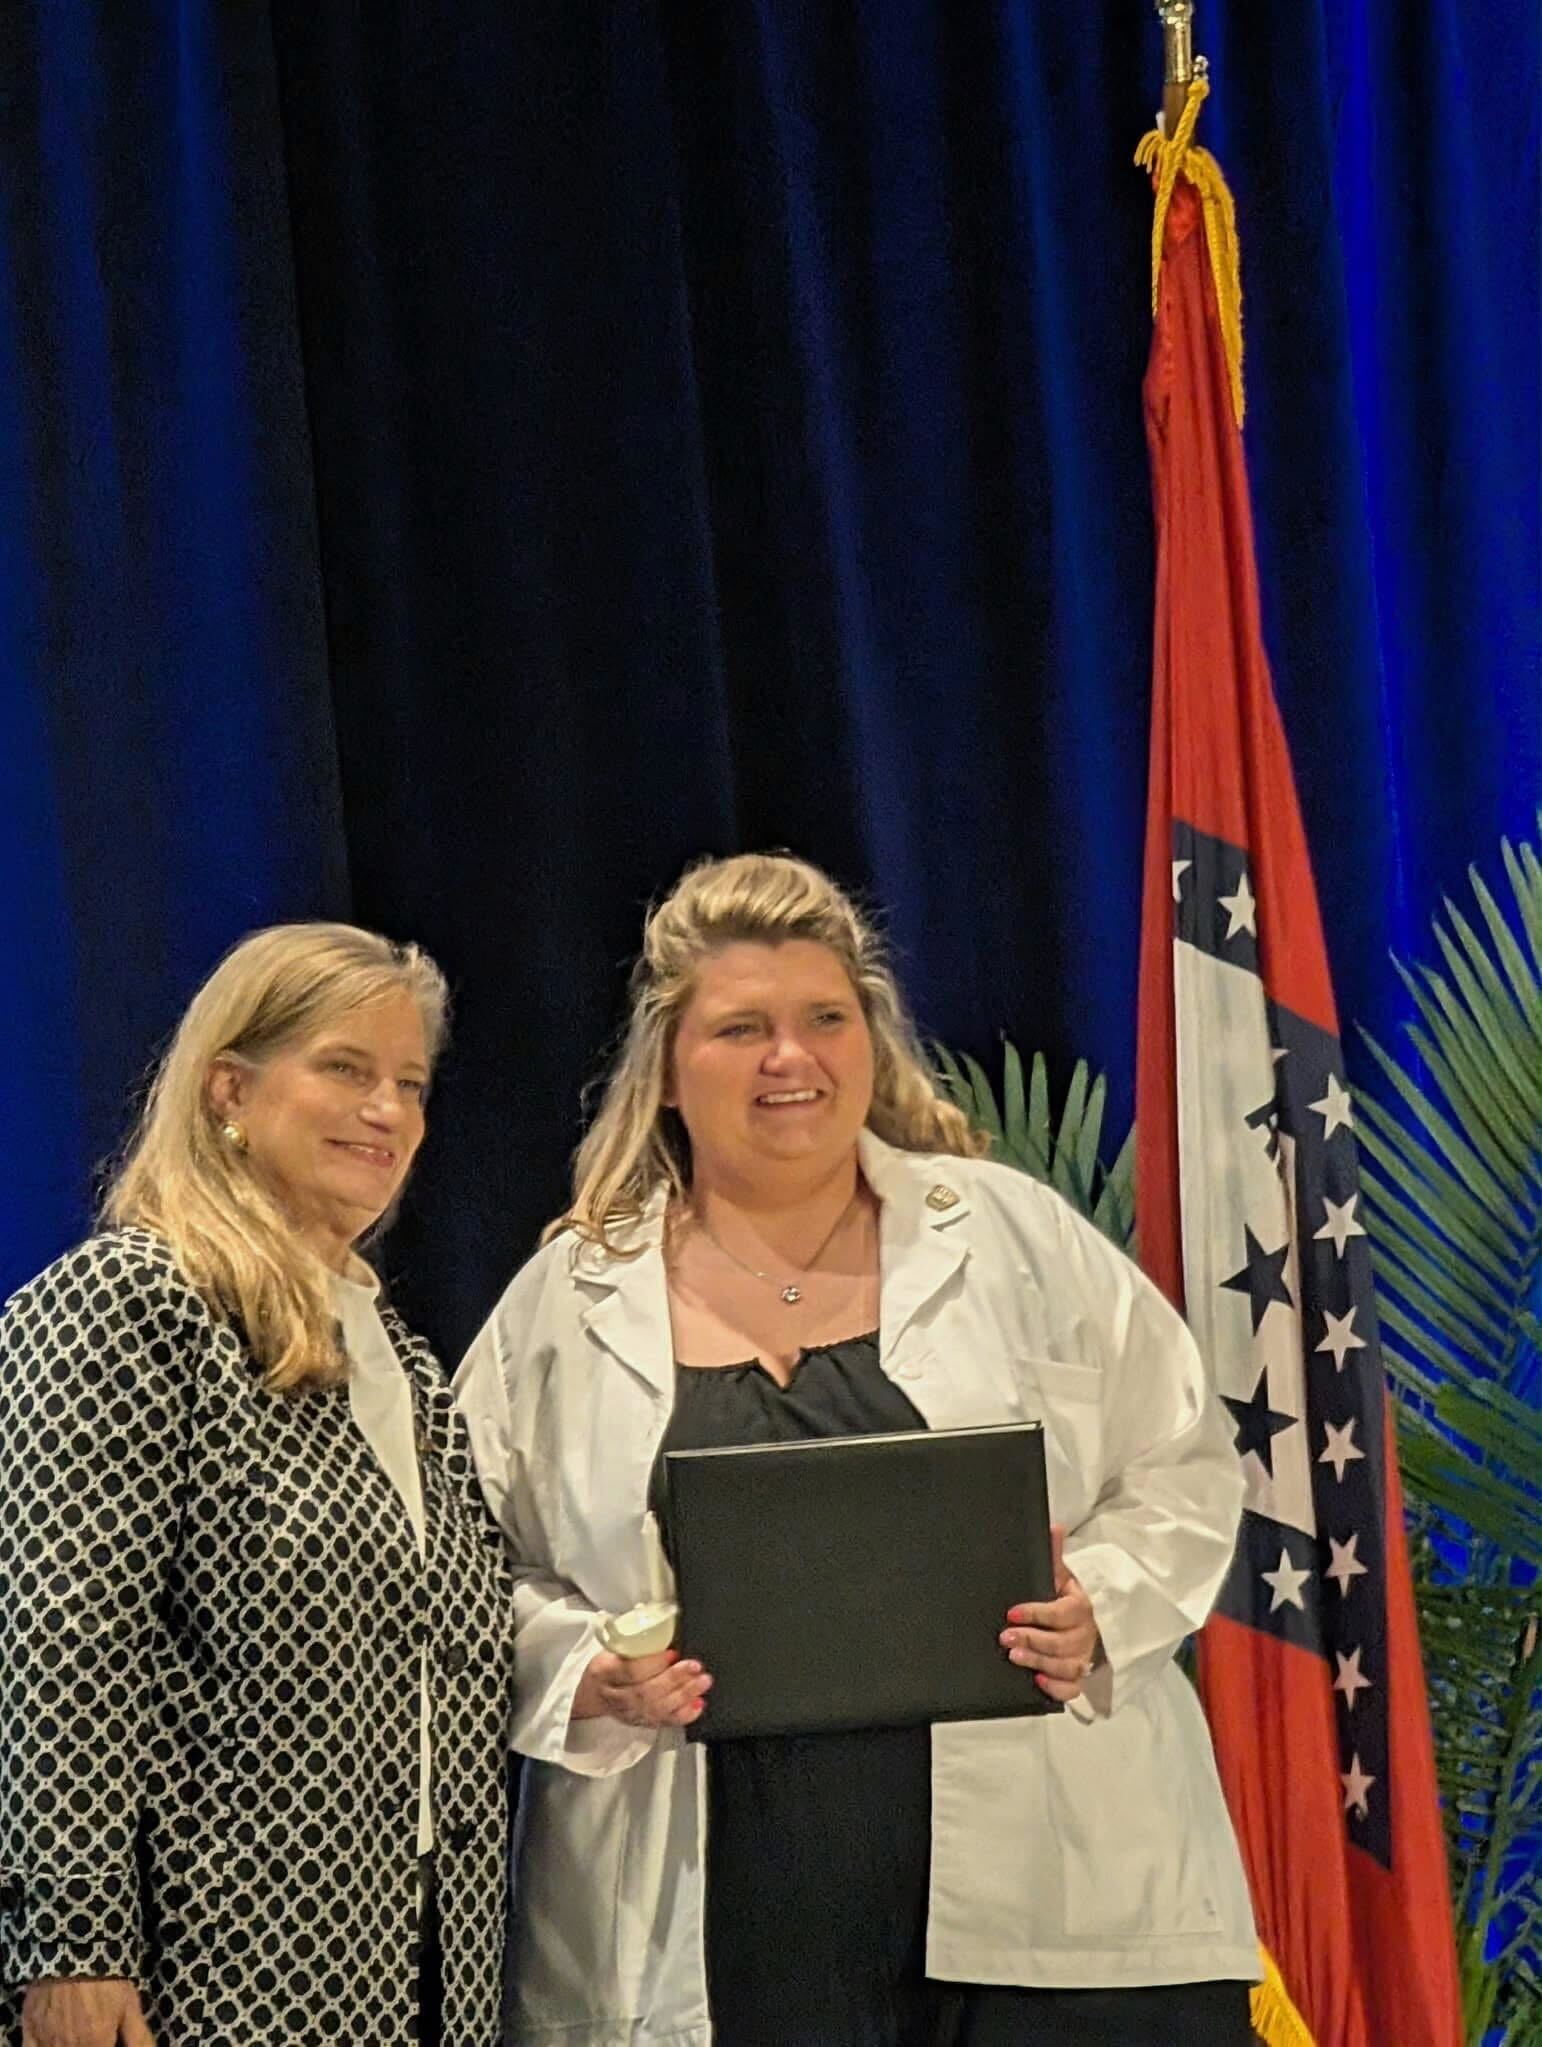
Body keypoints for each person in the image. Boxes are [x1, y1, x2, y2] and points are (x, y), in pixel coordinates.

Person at [456, 853, 1259, 2047]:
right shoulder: (566, 1301)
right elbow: (465, 1574)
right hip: (722, 1923)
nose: (793, 1057)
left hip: (1057, 1912)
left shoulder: (1010, 1236)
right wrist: (590, 1673)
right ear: (668, 1071)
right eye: (742, 1029)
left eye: (826, 1018)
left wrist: (1104, 1604)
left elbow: (1185, 1464)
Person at [0, 924, 514, 2047]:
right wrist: (74, 1948)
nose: (388, 1111)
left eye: (411, 1084)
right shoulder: (130, 1307)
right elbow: (58, 1648)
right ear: (229, 1087)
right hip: (199, 1981)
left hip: (414, 1976)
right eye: (345, 1068)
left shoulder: (405, 1362)